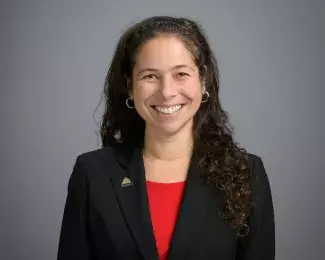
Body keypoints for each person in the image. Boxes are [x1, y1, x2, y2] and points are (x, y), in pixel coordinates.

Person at [57, 16, 275, 260]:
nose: (167, 92)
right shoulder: (92, 174)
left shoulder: (246, 173)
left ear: (203, 81)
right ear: (130, 86)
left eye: (181, 74)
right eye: (150, 76)